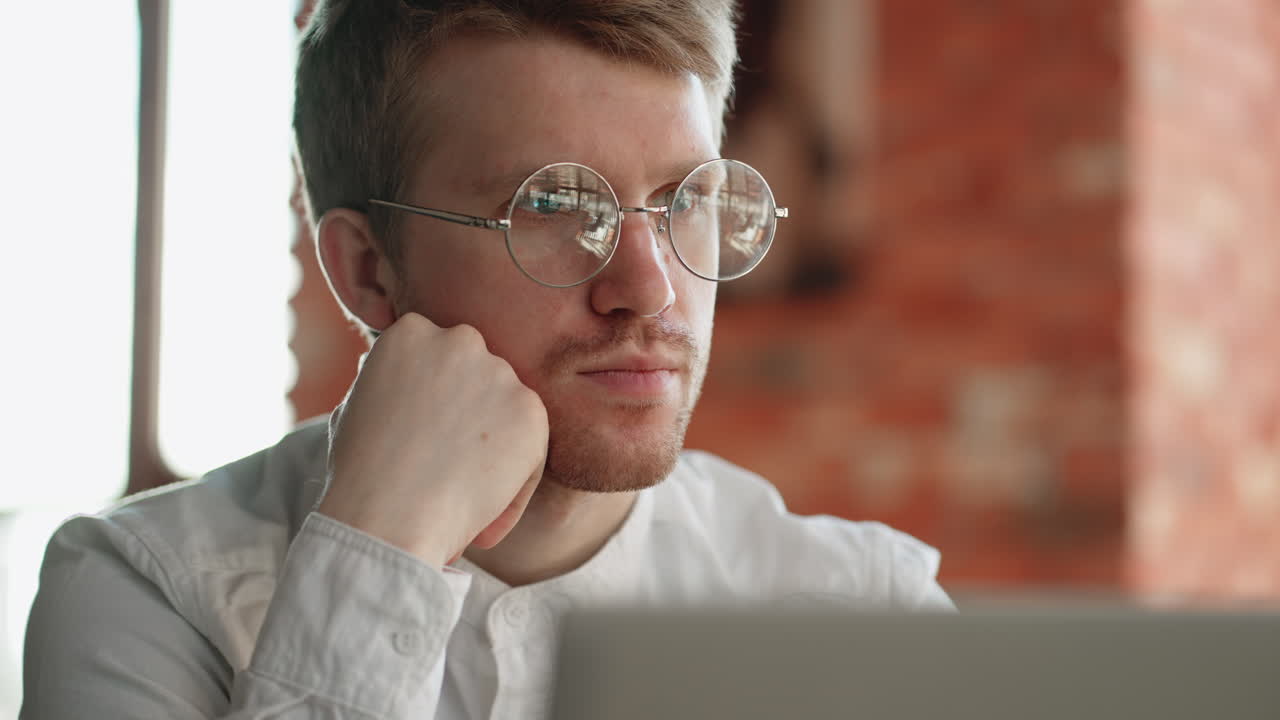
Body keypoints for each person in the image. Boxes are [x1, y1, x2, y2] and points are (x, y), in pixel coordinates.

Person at [22, 1, 952, 717]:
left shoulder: (863, 614)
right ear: (367, 270)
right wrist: (377, 548)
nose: (651, 288)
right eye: (552, 206)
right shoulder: (146, 591)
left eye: (682, 201)